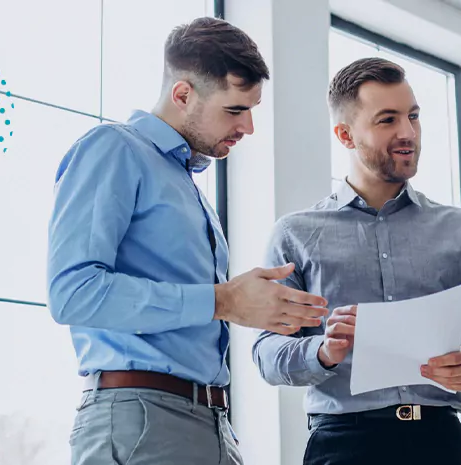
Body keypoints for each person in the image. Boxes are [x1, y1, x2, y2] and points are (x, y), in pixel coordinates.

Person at [46, 17, 328, 465]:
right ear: (183, 95)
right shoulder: (114, 149)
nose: (249, 127)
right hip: (143, 421)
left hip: (210, 422)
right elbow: (72, 294)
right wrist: (222, 301)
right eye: (235, 110)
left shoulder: (186, 186)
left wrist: (249, 305)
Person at [251, 57, 461, 465]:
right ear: (344, 134)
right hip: (343, 445)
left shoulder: (460, 228)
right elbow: (267, 353)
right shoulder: (295, 234)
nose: (408, 133)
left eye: (413, 116)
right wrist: (322, 352)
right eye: (387, 119)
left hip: (441, 440)